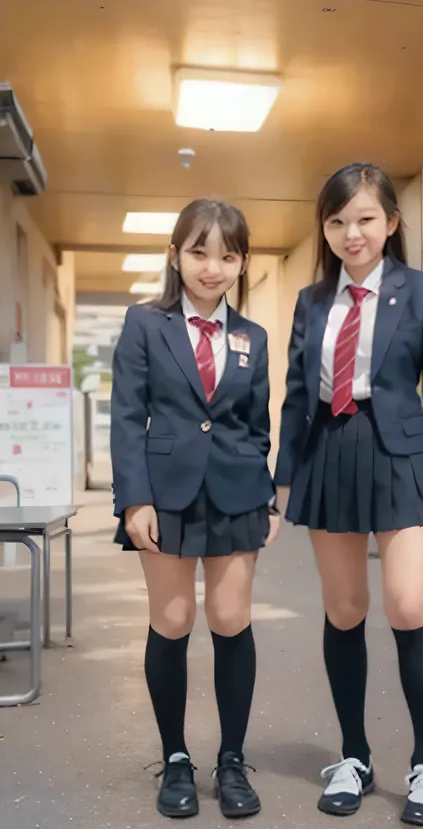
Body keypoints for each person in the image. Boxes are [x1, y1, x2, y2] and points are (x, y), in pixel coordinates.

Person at [275, 163, 423, 826]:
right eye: (336, 220)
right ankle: (354, 755)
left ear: (390, 221)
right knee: (346, 606)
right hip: (330, 453)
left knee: (410, 603)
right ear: (324, 229)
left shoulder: (421, 292)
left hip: (403, 454)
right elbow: (298, 396)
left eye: (364, 218)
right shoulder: (311, 301)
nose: (350, 232)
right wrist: (283, 475)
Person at [110, 198, 280, 819]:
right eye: (199, 252)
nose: (213, 267)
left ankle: (231, 759)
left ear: (241, 262)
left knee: (231, 618)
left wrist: (266, 494)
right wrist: (134, 500)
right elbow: (126, 418)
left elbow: (256, 427)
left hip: (236, 492)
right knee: (175, 619)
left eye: (227, 255)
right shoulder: (144, 324)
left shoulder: (252, 338)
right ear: (176, 254)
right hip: (165, 492)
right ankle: (176, 757)